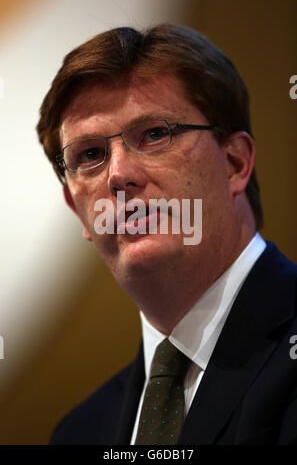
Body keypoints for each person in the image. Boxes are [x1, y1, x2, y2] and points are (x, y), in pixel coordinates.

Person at [37, 24, 297, 445]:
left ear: (234, 163)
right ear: (79, 213)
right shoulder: (79, 432)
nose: (119, 175)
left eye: (155, 134)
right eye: (90, 155)